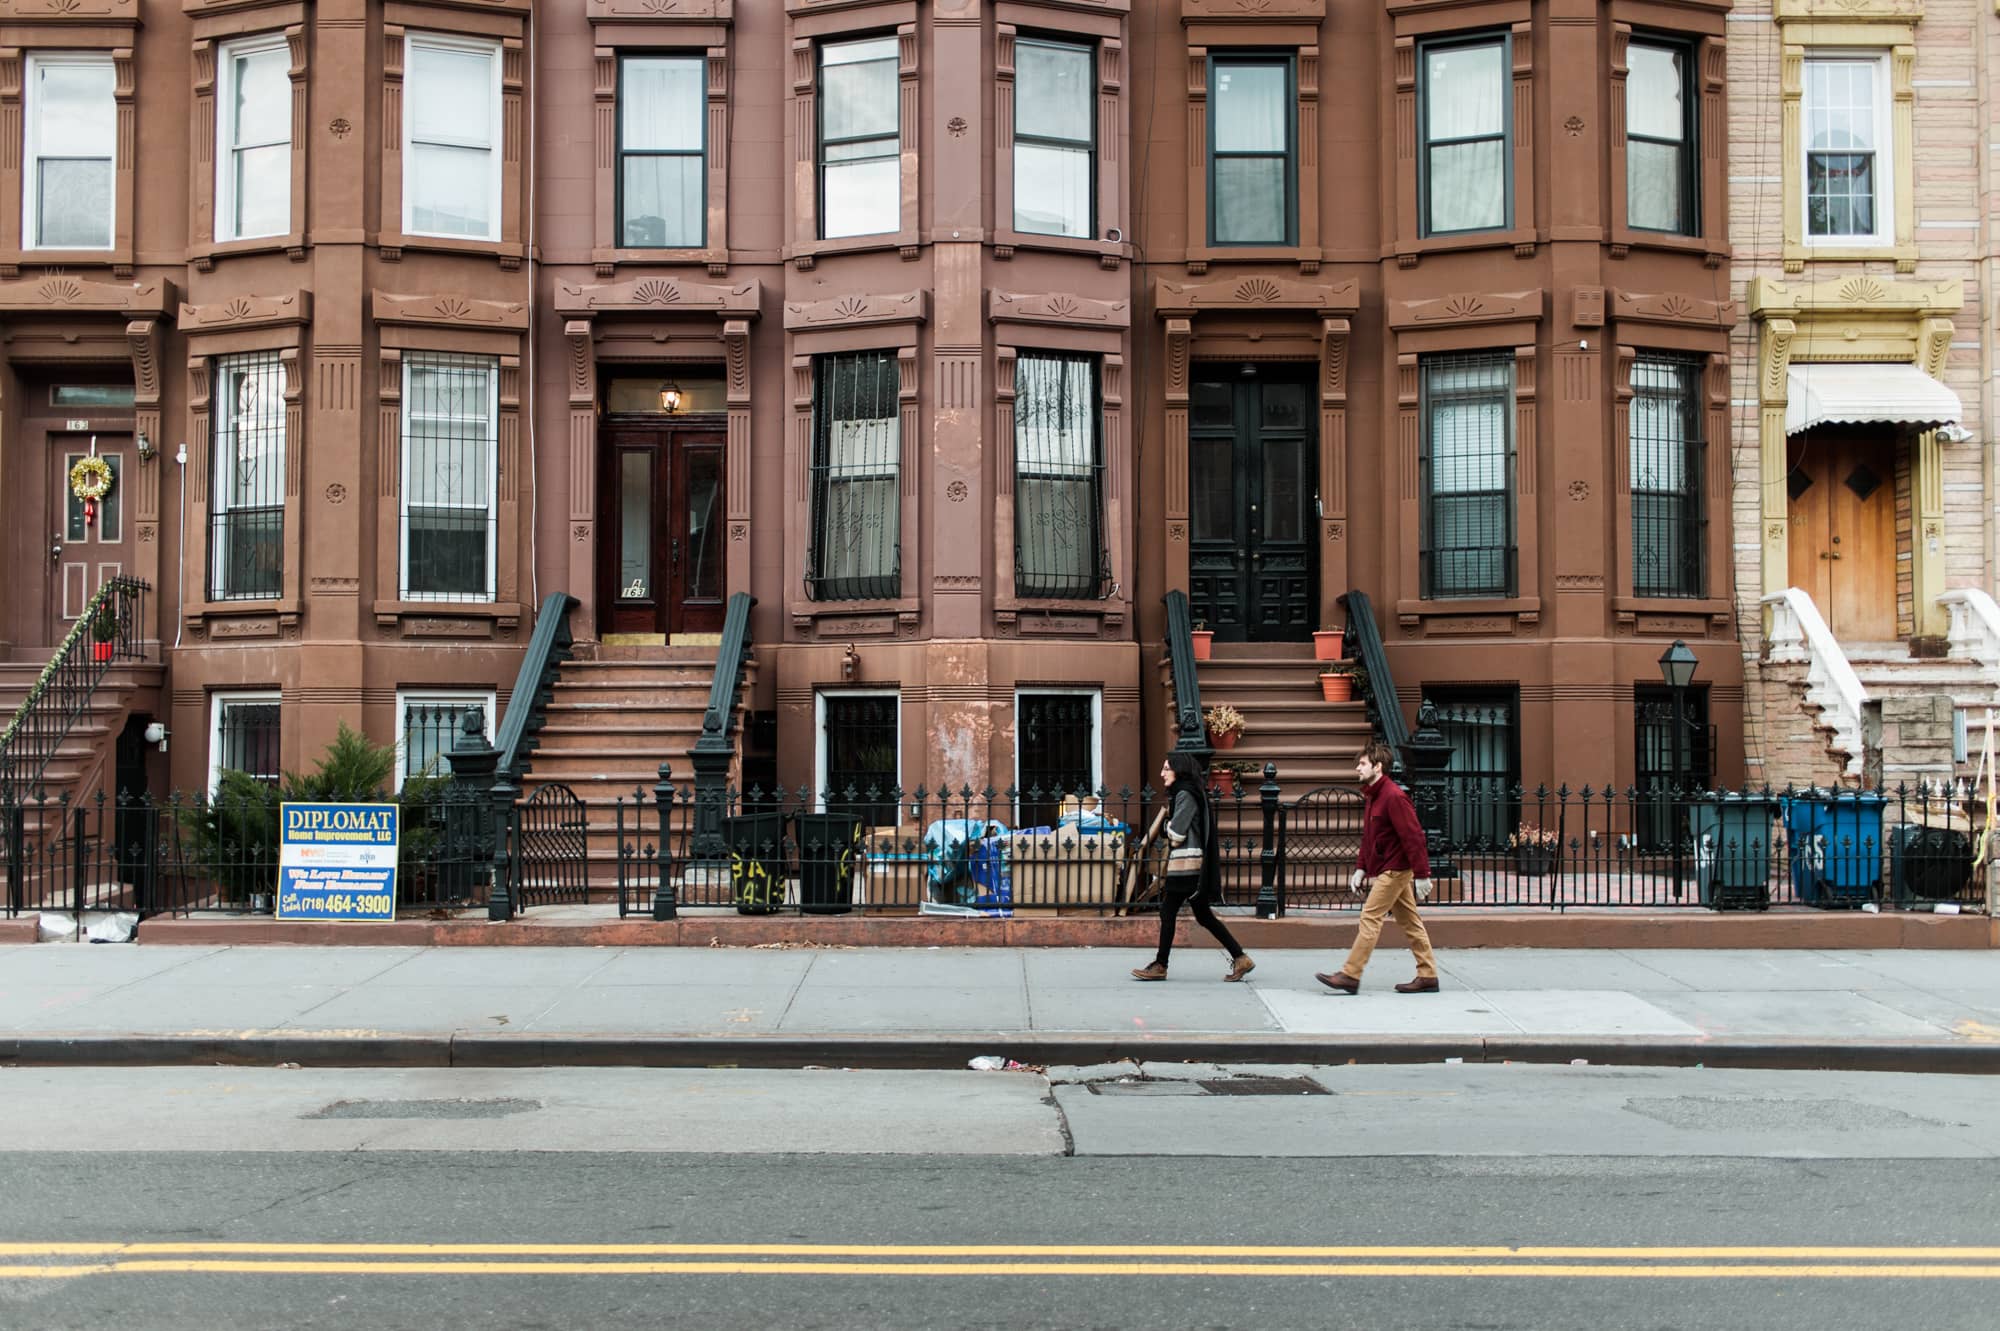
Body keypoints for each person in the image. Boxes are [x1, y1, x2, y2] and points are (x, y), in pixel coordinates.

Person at [1315, 741, 1440, 994]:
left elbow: (1414, 837)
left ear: (1378, 767)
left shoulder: (1394, 796)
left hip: (1396, 869)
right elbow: (1370, 837)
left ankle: (1351, 974)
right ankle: (1428, 975)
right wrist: (1361, 868)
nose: (1357, 768)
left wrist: (1422, 874)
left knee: (1370, 916)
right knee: (1410, 922)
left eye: (1362, 764)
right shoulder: (1374, 795)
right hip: (1389, 867)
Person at [1132, 752, 1255, 982]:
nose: (1162, 773)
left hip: (1186, 865)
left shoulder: (1185, 794)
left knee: (1168, 911)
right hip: (1192, 864)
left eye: (1166, 768)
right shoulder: (1188, 792)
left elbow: (1177, 832)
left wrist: (1167, 826)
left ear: (1179, 770)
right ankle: (1240, 957)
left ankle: (1160, 965)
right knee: (1203, 916)